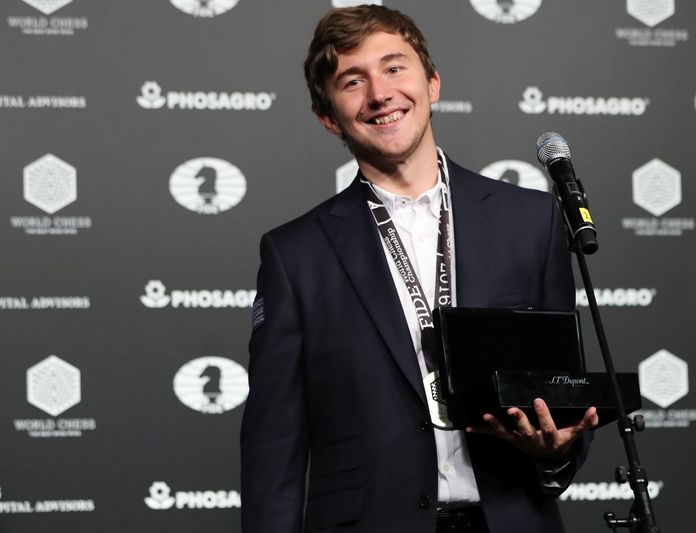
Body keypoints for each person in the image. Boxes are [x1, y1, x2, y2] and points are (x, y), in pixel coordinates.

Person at [240, 6, 597, 533]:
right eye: (352, 81)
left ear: (432, 84)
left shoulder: (533, 220)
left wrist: (556, 451)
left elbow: (565, 396)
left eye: (394, 68)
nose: (380, 94)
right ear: (327, 116)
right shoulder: (295, 255)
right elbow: (274, 447)